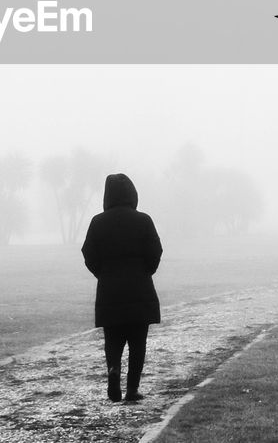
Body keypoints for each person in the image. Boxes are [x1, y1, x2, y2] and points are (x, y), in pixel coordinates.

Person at [80, 173, 163, 403]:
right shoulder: (144, 220)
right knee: (138, 343)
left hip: (109, 292)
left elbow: (88, 253)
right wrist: (145, 271)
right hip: (140, 290)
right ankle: (132, 389)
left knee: (112, 340)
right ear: (132, 194)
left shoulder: (98, 222)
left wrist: (103, 274)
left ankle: (113, 370)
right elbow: (156, 252)